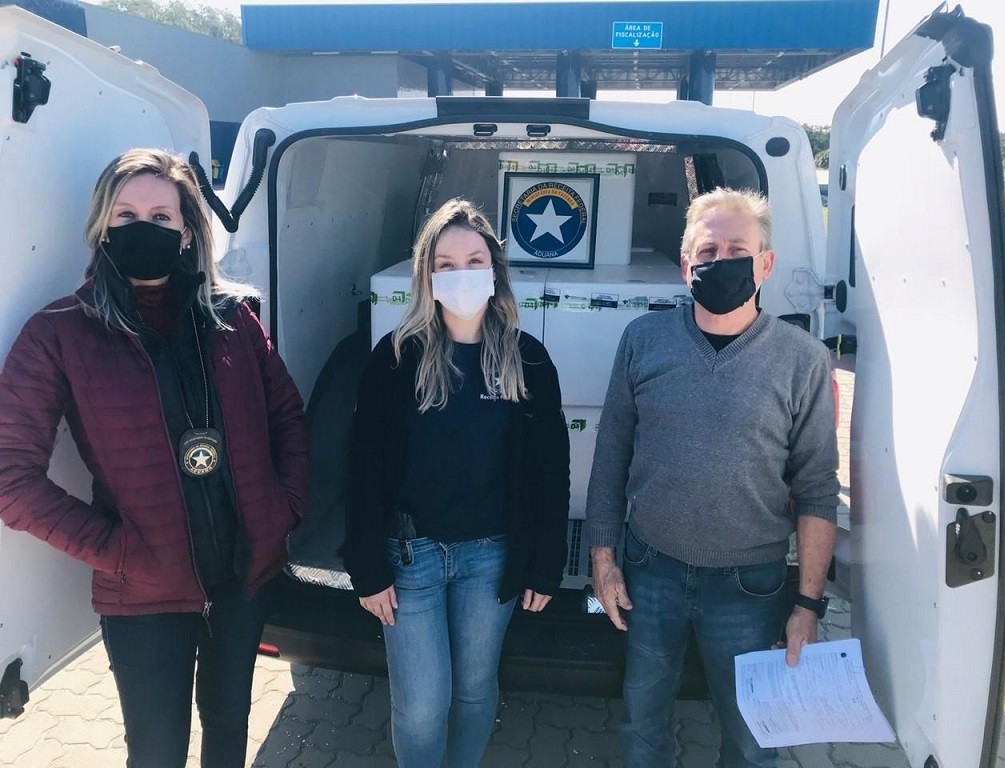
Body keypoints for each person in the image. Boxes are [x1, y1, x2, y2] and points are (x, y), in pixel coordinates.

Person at [0, 149, 309, 768]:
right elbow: (11, 476)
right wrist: (118, 552)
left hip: (243, 575)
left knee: (229, 726)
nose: (146, 227)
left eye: (162, 217)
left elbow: (287, 417)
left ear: (187, 231)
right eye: (127, 214)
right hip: (144, 592)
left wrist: (285, 508)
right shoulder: (60, 332)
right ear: (103, 226)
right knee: (157, 752)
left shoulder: (233, 319)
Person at [585, 188, 839, 768]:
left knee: (751, 739)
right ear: (686, 265)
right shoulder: (643, 340)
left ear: (765, 264)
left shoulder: (803, 359)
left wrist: (808, 604)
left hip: (750, 587)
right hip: (651, 571)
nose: (721, 262)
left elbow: (817, 488)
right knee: (643, 722)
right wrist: (603, 558)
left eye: (738, 251)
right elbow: (612, 454)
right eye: (708, 251)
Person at [344, 198, 570, 768]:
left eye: (474, 261)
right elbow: (362, 465)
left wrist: (546, 561)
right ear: (427, 275)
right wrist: (367, 567)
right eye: (445, 264)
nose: (461, 274)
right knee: (422, 706)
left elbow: (550, 470)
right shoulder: (396, 357)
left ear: (495, 270)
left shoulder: (528, 360)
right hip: (410, 557)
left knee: (473, 692)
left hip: (491, 558)